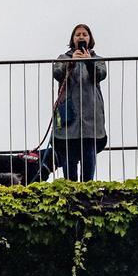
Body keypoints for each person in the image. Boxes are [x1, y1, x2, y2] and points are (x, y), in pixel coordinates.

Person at [51, 24, 107, 181]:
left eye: (84, 34)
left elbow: (101, 74)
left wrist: (89, 62)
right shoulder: (63, 58)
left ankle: (87, 188)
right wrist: (72, 62)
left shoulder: (97, 59)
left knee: (89, 153)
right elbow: (57, 73)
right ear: (72, 40)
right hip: (69, 116)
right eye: (77, 35)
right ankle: (71, 189)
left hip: (90, 116)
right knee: (68, 156)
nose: (81, 37)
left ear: (90, 39)